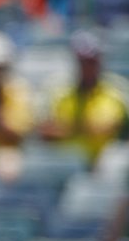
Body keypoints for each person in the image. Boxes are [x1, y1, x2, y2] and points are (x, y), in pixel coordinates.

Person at [39, 29, 129, 168]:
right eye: (83, 61)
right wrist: (86, 129)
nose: (87, 67)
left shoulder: (117, 91)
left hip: (107, 165)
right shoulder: (58, 92)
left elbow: (112, 129)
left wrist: (69, 129)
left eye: (91, 61)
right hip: (67, 164)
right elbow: (46, 132)